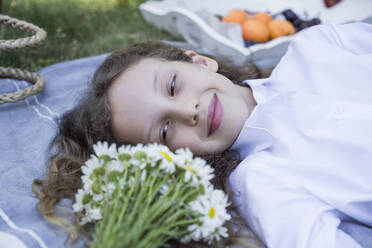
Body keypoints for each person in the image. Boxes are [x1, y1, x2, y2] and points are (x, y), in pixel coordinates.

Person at [33, 22, 372, 248]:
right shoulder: (262, 181)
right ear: (173, 160)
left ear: (199, 61)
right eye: (165, 130)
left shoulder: (318, 46)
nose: (187, 110)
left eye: (172, 86)